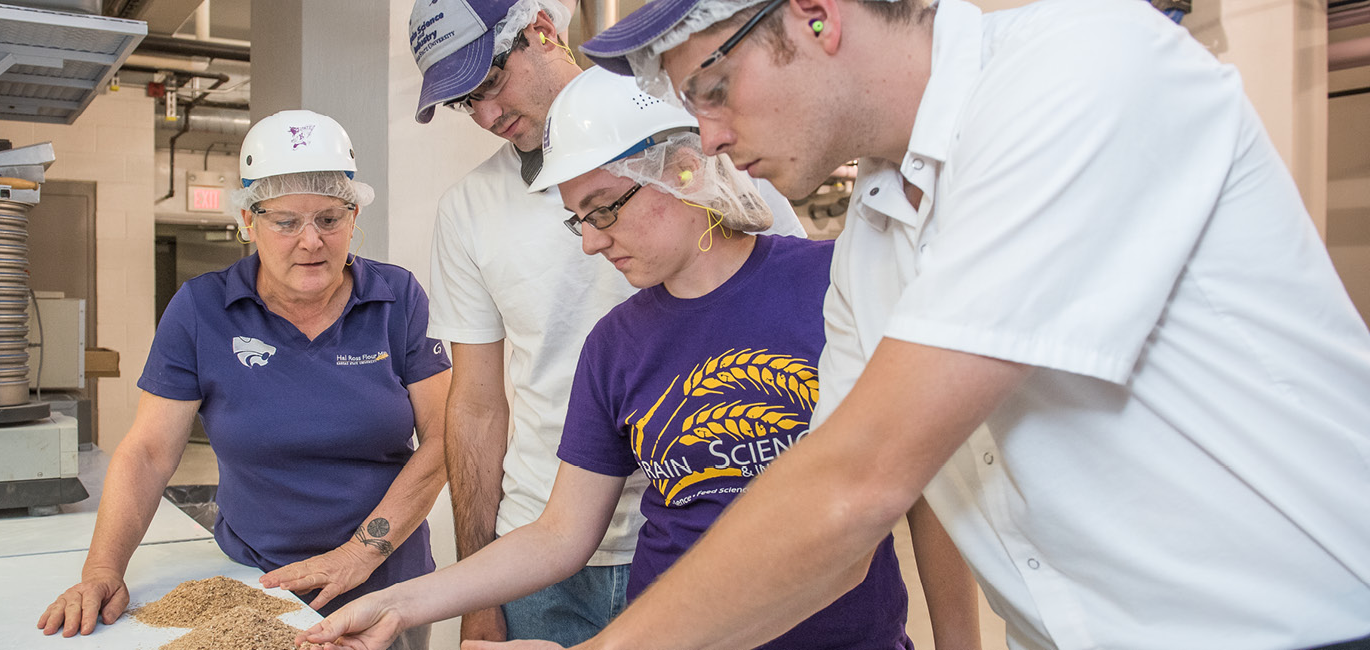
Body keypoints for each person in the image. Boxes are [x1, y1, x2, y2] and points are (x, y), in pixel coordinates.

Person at [498, 0, 1370, 648]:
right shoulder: (875, 238)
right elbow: (820, 520)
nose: (713, 140)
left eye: (714, 90)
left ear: (811, 16)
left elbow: (861, 482)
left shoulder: (1080, 64)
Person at [299, 67, 982, 650]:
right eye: (578, 219)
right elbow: (561, 534)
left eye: (604, 209)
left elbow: (930, 494)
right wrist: (402, 603)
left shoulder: (837, 284)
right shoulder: (615, 345)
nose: (592, 243)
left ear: (681, 170)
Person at [405, 1, 807, 645]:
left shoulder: (700, 147)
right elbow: (476, 407)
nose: (485, 115)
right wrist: (474, 592)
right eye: (464, 103)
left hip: (706, 530)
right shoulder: (472, 212)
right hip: (545, 544)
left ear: (542, 30)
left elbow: (789, 303)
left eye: (488, 83)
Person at [36, 110, 452, 650]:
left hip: (386, 583)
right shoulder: (202, 308)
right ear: (248, 222)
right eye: (285, 222)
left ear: (353, 217)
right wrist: (101, 569)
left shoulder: (397, 298)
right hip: (255, 583)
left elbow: (446, 439)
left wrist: (358, 554)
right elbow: (148, 452)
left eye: (329, 218)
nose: (311, 241)